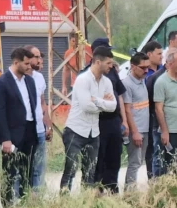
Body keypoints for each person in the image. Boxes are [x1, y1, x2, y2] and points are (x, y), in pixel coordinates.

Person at [59, 46, 117, 191]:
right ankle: (63, 202)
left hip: (94, 132)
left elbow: (113, 106)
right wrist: (103, 103)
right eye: (109, 63)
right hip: (75, 130)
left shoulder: (107, 82)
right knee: (71, 169)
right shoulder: (82, 80)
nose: (112, 66)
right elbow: (86, 106)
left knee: (90, 171)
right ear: (98, 62)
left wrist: (96, 100)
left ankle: (86, 203)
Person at [0, 47, 40, 206]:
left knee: (28, 171)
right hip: (12, 135)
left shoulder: (30, 81)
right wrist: (5, 139)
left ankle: (25, 203)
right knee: (10, 172)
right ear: (15, 62)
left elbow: (33, 106)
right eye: (26, 64)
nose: (29, 67)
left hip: (30, 131)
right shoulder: (1, 83)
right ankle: (8, 206)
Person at [87, 39, 128, 192]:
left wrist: (124, 121)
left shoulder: (112, 73)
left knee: (114, 156)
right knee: (99, 158)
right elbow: (90, 102)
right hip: (97, 122)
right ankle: (97, 190)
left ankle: (112, 188)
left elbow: (119, 97)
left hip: (114, 121)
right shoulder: (86, 75)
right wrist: (103, 101)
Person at [24, 46, 54, 192]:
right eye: (36, 56)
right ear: (27, 59)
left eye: (40, 56)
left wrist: (48, 126)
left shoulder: (39, 77)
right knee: (25, 167)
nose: (40, 60)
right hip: (24, 131)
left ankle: (37, 199)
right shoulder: (19, 77)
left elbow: (43, 104)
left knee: (39, 167)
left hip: (40, 130)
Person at [122, 53, 151, 188]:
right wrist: (134, 132)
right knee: (134, 162)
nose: (146, 70)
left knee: (139, 162)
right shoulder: (127, 84)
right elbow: (127, 110)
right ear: (132, 66)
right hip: (137, 130)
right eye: (142, 67)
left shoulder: (142, 80)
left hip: (144, 129)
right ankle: (130, 192)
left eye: (147, 67)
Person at [141, 40, 165, 177]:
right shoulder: (144, 72)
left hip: (163, 112)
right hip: (149, 113)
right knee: (151, 147)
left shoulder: (163, 70)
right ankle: (152, 176)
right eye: (159, 54)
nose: (161, 56)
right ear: (149, 54)